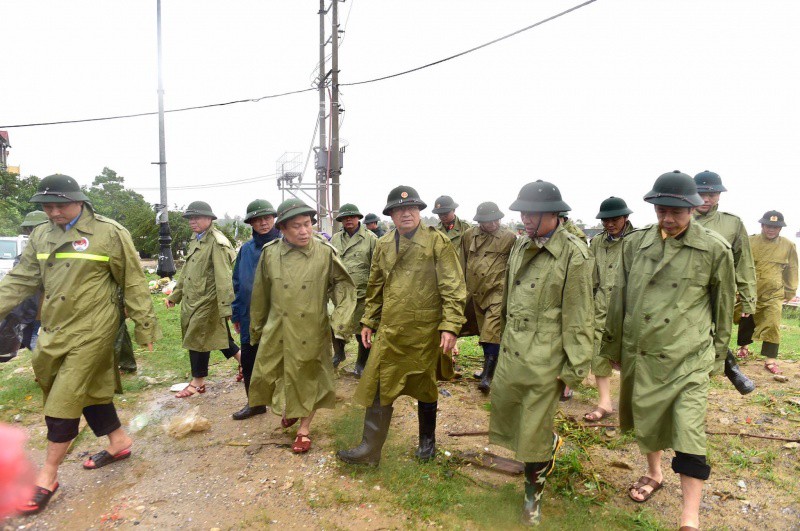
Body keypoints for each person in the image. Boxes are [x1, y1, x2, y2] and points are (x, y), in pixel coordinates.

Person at [0, 174, 160, 515]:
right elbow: (21, 279)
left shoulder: (108, 233)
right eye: (47, 206)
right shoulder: (42, 233)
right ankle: (119, 442)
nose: (54, 212)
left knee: (64, 398)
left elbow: (133, 281)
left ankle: (48, 476)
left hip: (93, 329)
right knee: (84, 390)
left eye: (60, 205)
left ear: (80, 201)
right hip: (55, 329)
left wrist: (145, 324)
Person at [600, 171, 735, 531]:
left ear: (692, 208)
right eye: (661, 211)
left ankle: (689, 517)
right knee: (649, 417)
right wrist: (613, 345)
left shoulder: (714, 249)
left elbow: (723, 309)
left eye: (676, 212)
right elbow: (620, 297)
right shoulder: (636, 244)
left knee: (689, 432)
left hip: (687, 357)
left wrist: (718, 359)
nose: (668, 219)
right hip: (642, 351)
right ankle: (654, 473)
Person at [488, 180, 593, 526]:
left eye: (533, 213)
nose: (526, 218)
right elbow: (507, 300)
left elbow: (579, 317)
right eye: (523, 212)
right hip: (515, 351)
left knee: (532, 431)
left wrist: (573, 371)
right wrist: (501, 340)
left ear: (555, 214)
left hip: (546, 358)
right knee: (515, 418)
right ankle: (545, 445)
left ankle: (532, 499)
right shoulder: (520, 245)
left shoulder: (574, 254)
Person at [337, 185, 466, 465]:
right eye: (398, 210)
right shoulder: (383, 244)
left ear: (419, 212)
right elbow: (375, 286)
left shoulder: (437, 242)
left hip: (424, 330)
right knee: (379, 384)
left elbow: (453, 287)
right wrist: (369, 320)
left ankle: (427, 446)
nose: (405, 214)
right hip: (391, 330)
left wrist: (450, 325)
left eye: (410, 209)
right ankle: (370, 450)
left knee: (425, 386)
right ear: (391, 215)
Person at [248, 199, 356, 453]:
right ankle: (291, 409)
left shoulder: (324, 252)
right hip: (279, 327)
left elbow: (343, 286)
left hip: (312, 327)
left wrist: (340, 320)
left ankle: (304, 429)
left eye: (307, 224)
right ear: (282, 228)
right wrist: (257, 327)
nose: (304, 231)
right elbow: (261, 294)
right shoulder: (270, 253)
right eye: (296, 226)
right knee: (277, 373)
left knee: (310, 376)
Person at [165, 201, 240, 398]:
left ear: (210, 219)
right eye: (190, 218)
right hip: (193, 300)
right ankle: (245, 363)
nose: (193, 221)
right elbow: (187, 272)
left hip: (208, 301)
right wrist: (176, 295)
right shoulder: (197, 239)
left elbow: (224, 278)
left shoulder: (216, 242)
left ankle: (197, 382)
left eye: (197, 217)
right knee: (217, 337)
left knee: (196, 339)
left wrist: (227, 310)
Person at [692, 170, 755, 394]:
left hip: (720, 291)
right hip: (685, 289)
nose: (706, 199)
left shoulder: (732, 224)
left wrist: (749, 300)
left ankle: (727, 367)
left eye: (712, 194)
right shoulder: (676, 219)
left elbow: (744, 262)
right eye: (701, 193)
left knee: (717, 332)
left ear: (719, 195)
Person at [583, 197, 634, 422]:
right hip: (600, 307)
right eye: (606, 220)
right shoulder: (596, 243)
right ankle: (605, 403)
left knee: (630, 357)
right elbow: (590, 276)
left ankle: (632, 405)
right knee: (599, 354)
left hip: (627, 309)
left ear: (625, 218)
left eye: (615, 220)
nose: (610, 224)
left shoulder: (637, 241)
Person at [230, 199, 281, 420]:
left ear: (274, 219)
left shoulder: (284, 245)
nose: (263, 223)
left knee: (282, 361)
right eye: (258, 219)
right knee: (250, 360)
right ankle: (256, 403)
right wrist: (236, 312)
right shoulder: (246, 249)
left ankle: (288, 405)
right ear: (251, 223)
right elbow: (237, 282)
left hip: (277, 314)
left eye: (267, 218)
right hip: (249, 315)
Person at [460, 201, 516, 393]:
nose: (492, 224)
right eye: (487, 221)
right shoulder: (469, 235)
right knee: (485, 333)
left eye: (495, 220)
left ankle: (488, 377)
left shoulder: (509, 237)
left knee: (492, 330)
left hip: (497, 292)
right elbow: (463, 259)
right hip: (475, 291)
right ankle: (487, 368)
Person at [736, 211, 798, 374]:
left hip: (774, 293)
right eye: (768, 226)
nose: (771, 229)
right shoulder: (749, 241)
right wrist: (737, 289)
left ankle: (770, 360)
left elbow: (792, 269)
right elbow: (738, 265)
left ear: (780, 229)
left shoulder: (788, 245)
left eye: (776, 227)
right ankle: (743, 347)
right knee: (746, 319)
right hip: (750, 291)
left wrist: (790, 290)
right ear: (762, 225)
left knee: (772, 324)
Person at [330, 203, 377, 376]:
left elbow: (377, 267)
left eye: (352, 216)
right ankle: (339, 354)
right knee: (336, 326)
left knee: (362, 331)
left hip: (363, 294)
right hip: (340, 295)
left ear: (358, 218)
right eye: (345, 217)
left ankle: (361, 363)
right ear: (341, 220)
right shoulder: (335, 239)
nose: (348, 220)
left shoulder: (371, 239)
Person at [432, 194, 475, 377]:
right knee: (443, 321)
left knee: (458, 321)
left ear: (454, 211)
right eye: (440, 213)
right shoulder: (434, 232)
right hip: (441, 283)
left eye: (446, 212)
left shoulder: (467, 230)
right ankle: (447, 362)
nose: (443, 216)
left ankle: (452, 354)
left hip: (462, 283)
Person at [0, 211, 48, 363]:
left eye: (34, 228)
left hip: (45, 311)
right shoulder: (26, 256)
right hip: (29, 311)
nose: (31, 232)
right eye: (29, 229)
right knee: (30, 340)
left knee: (36, 341)